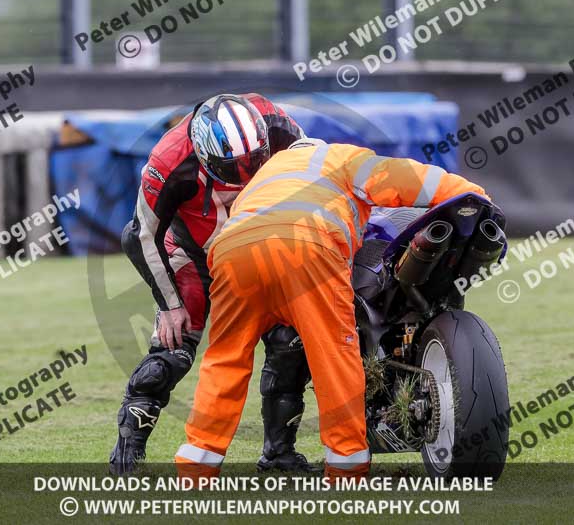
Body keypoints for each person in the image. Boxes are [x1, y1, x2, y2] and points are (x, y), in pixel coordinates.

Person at [175, 138, 489, 479]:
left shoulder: (264, 176)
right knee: (333, 355)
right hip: (306, 244)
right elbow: (409, 179)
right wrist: (473, 195)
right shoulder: (338, 157)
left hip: (233, 251)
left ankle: (196, 468)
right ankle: (346, 465)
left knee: (225, 360)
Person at [111, 94, 313, 474]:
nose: (245, 176)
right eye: (232, 168)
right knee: (171, 353)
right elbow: (138, 236)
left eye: (253, 161)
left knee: (290, 346)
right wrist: (170, 306)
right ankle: (128, 455)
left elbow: (314, 175)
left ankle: (278, 454)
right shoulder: (168, 161)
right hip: (196, 253)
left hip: (266, 248)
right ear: (203, 155)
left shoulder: (276, 123)